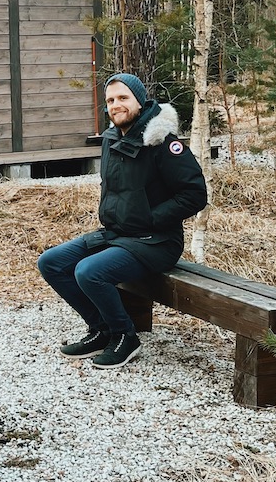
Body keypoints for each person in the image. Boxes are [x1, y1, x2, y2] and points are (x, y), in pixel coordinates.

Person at [37, 72, 208, 369]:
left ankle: (124, 335)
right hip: (117, 234)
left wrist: (150, 217)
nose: (116, 105)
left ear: (140, 101)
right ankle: (101, 328)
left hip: (156, 241)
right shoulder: (112, 138)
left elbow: (194, 195)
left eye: (123, 98)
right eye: (111, 100)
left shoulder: (163, 143)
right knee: (51, 262)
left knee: (89, 271)